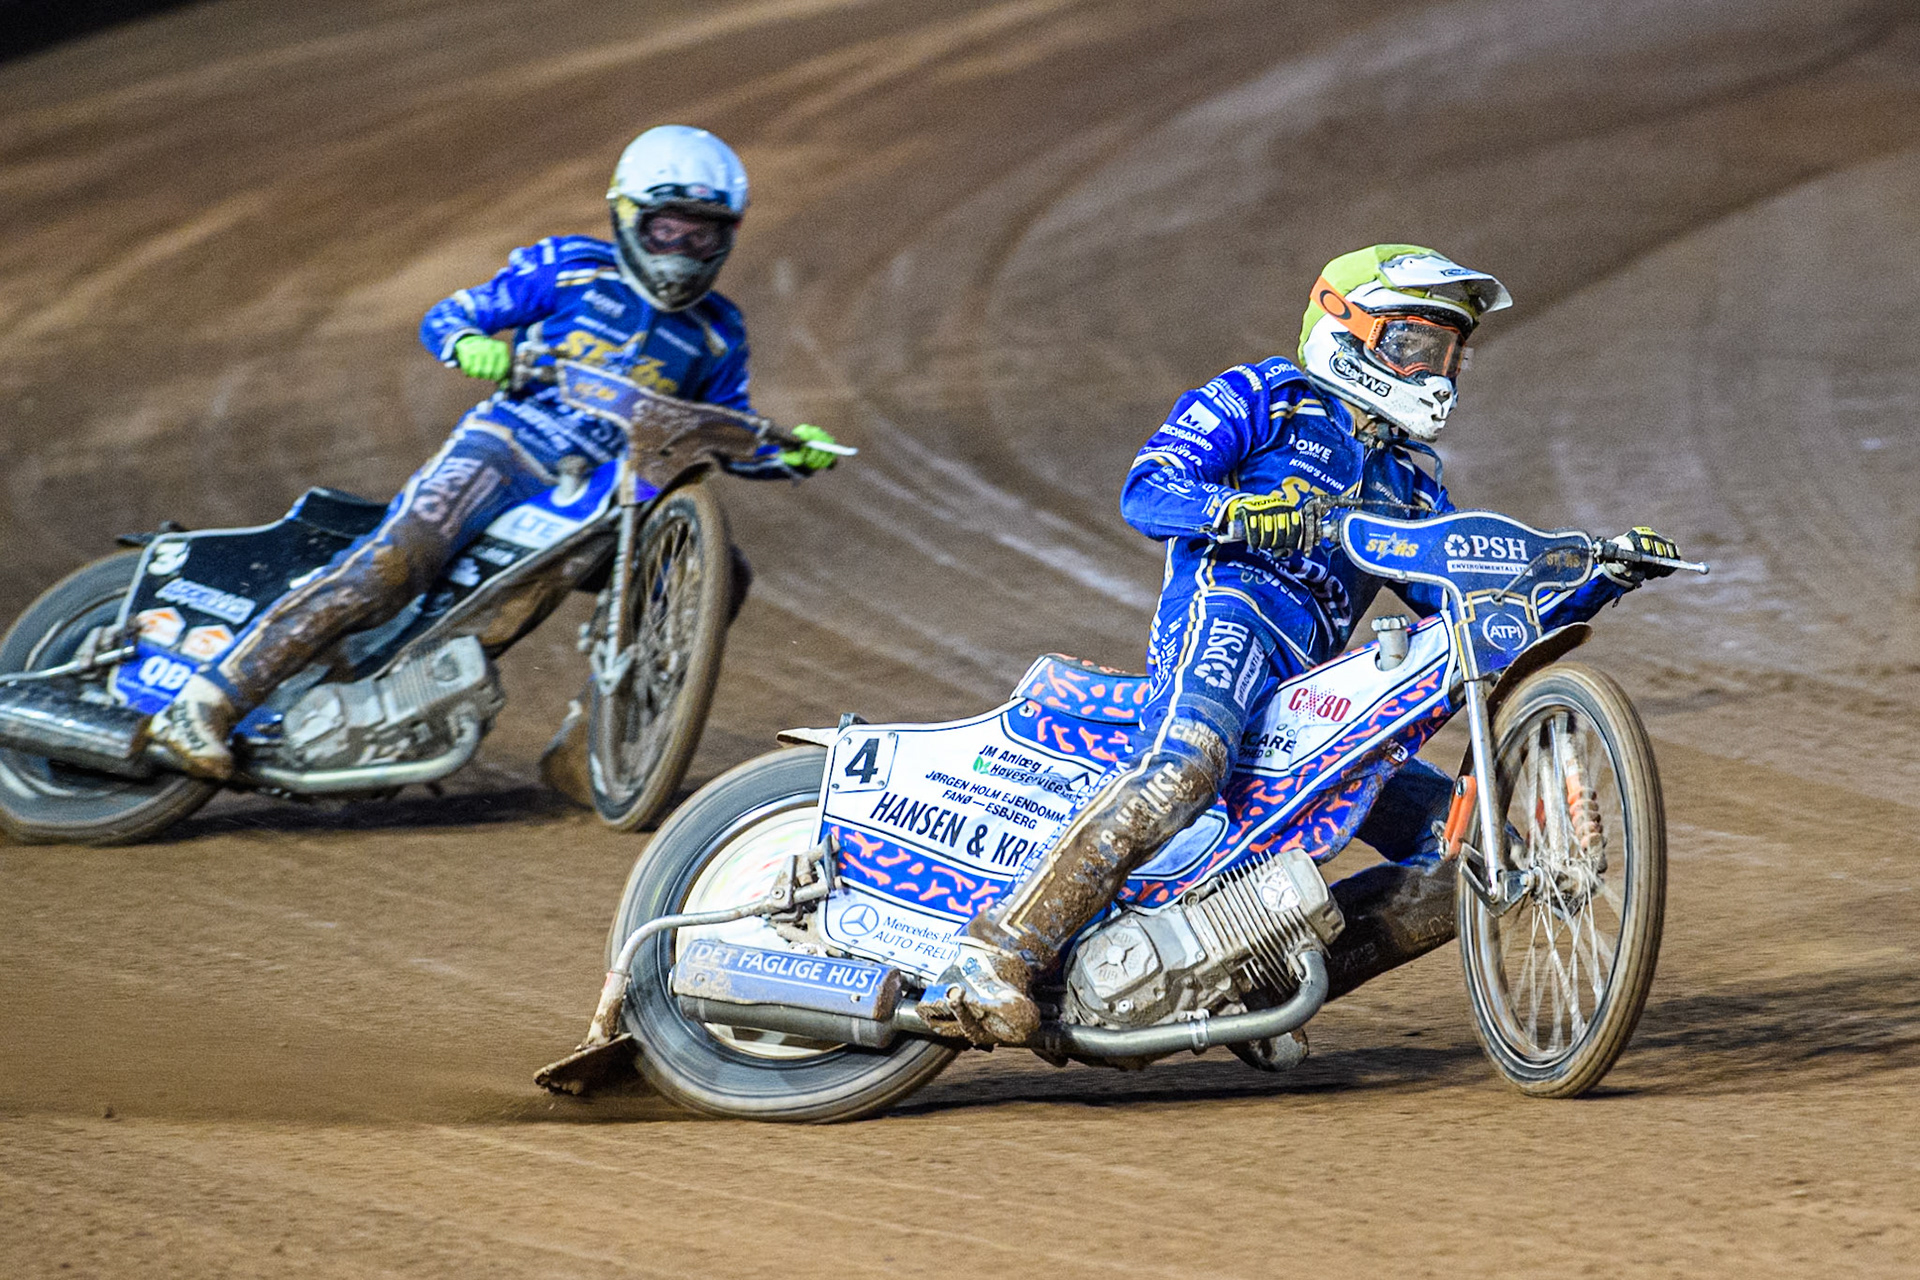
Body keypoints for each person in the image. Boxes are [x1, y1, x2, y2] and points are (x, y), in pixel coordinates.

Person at [919, 243, 1681, 1045]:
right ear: (1348, 331)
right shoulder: (1265, 396)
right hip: (1232, 618)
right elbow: (1146, 490)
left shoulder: (1409, 475)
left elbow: (1454, 594)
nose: (1437, 370)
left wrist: (1598, 577)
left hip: (1319, 689)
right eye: (1417, 345)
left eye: (1450, 353)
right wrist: (1235, 513)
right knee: (1184, 767)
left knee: (1466, 866)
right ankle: (992, 953)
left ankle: (1250, 987)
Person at [147, 125, 844, 779]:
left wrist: (790, 451)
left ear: (728, 238)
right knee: (396, 564)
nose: (680, 250)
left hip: (610, 498)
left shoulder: (720, 332)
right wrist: (471, 346)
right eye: (667, 228)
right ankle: (208, 700)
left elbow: (723, 428)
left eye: (702, 235)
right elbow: (449, 314)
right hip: (506, 451)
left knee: (718, 571)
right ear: (628, 216)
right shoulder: (568, 268)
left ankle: (596, 745)